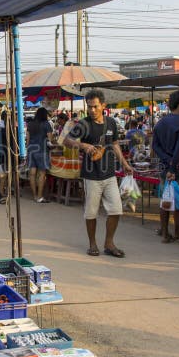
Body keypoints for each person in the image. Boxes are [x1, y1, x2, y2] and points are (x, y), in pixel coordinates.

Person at [64, 89, 132, 258]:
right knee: (91, 212)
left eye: (95, 106)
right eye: (89, 107)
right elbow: (66, 140)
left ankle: (109, 243)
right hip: (91, 175)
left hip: (109, 174)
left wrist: (124, 163)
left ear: (103, 105)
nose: (92, 110)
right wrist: (83, 146)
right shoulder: (84, 124)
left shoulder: (111, 123)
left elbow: (115, 143)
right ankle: (92, 243)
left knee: (116, 210)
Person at [151, 90, 179, 244]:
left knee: (165, 199)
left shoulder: (161, 122)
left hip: (164, 166)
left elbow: (155, 145)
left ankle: (165, 233)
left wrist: (166, 161)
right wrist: (173, 166)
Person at [26, 107, 53, 203]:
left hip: (31, 150)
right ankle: (40, 196)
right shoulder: (46, 124)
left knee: (32, 174)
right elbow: (50, 139)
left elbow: (27, 140)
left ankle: (34, 196)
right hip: (42, 150)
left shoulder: (30, 124)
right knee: (42, 174)